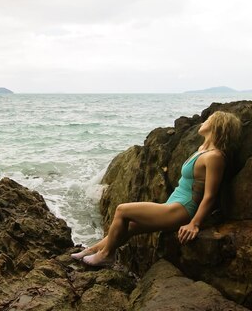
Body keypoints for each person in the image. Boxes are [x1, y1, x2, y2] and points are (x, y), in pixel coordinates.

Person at [72, 111, 242, 267]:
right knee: (130, 226)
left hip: (182, 209)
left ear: (217, 125)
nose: (203, 122)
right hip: (174, 203)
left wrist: (194, 224)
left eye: (209, 120)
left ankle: (107, 255)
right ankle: (91, 250)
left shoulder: (215, 157)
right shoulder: (202, 150)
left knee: (122, 210)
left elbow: (210, 195)